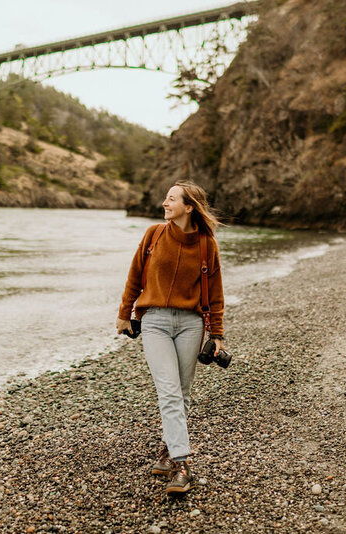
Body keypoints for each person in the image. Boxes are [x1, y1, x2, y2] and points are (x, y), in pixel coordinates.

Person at [116, 180, 226, 496]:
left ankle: (166, 451)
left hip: (192, 324)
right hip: (155, 323)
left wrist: (216, 333)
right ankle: (181, 463)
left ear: (189, 207)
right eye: (165, 198)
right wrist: (125, 313)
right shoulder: (153, 235)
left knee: (182, 392)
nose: (165, 203)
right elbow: (134, 276)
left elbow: (216, 294)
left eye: (171, 199)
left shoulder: (207, 244)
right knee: (168, 390)